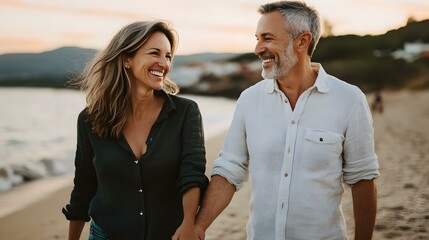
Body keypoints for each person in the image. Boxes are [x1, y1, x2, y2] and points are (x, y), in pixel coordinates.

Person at [195, 1, 380, 240]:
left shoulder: (349, 99)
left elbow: (363, 178)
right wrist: (199, 226)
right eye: (257, 38)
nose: (258, 48)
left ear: (302, 41)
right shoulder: (249, 100)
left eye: (267, 38)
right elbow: (230, 169)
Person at [62, 21, 208, 240]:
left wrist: (189, 223)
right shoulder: (90, 119)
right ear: (127, 60)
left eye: (168, 56)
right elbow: (84, 185)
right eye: (154, 53)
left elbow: (192, 173)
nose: (163, 63)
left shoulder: (186, 112)